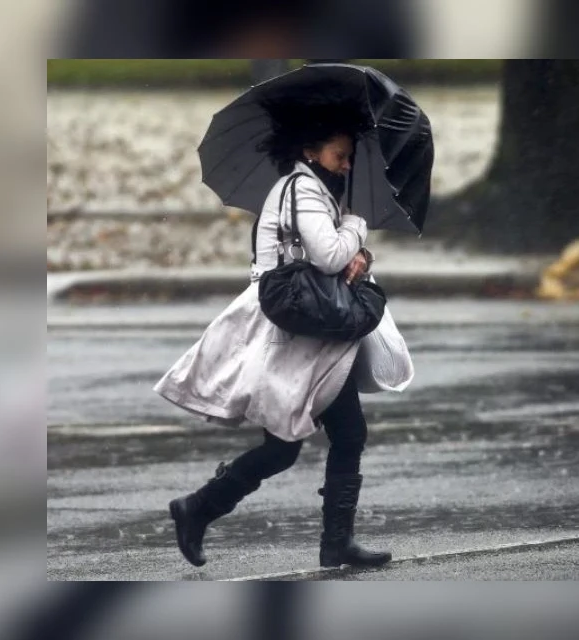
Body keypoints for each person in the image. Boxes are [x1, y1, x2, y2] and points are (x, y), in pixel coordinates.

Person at [152, 112, 413, 569]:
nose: (347, 164)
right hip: (296, 333)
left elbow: (336, 255)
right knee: (302, 442)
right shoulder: (303, 189)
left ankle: (328, 540)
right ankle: (200, 508)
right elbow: (329, 257)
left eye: (349, 156)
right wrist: (358, 225)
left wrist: (361, 253)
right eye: (340, 155)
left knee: (324, 438)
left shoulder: (317, 189)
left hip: (312, 333)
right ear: (310, 151)